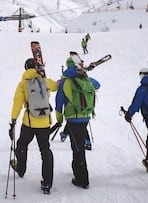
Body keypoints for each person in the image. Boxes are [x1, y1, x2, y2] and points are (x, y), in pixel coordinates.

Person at [10, 58, 58, 194]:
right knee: (45, 150)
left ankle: (20, 169)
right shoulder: (45, 81)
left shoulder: (23, 83)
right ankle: (47, 183)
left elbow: (17, 104)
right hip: (44, 123)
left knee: (22, 144)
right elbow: (56, 86)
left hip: (29, 123)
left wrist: (13, 120)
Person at [55, 53, 100, 189]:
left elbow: (59, 102)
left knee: (77, 148)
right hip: (85, 116)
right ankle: (78, 173)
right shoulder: (86, 80)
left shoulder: (65, 81)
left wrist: (59, 117)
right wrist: (85, 73)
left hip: (73, 118)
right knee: (78, 145)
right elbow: (97, 85)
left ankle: (82, 179)